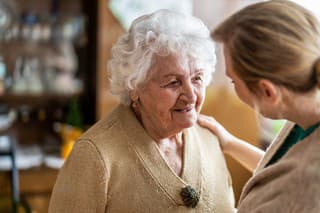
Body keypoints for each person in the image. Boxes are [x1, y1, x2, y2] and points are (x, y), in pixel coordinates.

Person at [49, 9, 235, 212]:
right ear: (135, 87)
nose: (191, 96)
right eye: (173, 82)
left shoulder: (209, 139)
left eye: (197, 78)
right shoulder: (94, 155)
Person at [198, 0, 320, 212]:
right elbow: (279, 174)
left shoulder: (307, 185)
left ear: (267, 91)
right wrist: (229, 143)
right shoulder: (305, 110)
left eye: (234, 81)